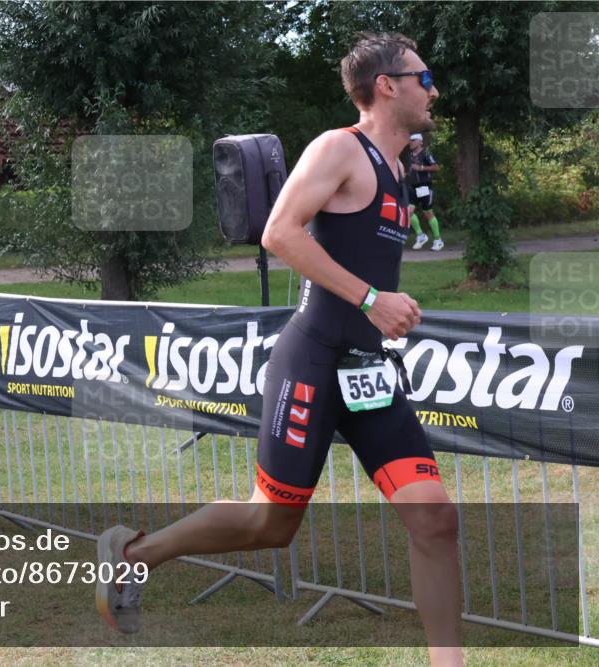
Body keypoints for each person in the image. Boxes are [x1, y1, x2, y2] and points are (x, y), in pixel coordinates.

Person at [96, 32, 463, 667]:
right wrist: (373, 299)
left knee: (435, 519)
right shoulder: (338, 148)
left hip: (369, 373)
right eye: (424, 78)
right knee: (273, 525)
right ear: (387, 85)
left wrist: (376, 313)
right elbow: (278, 233)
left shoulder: (400, 168)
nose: (433, 90)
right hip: (313, 361)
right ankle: (132, 554)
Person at [405, 132, 444, 250]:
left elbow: (436, 167)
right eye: (409, 140)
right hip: (413, 187)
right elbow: (412, 171)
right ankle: (421, 235)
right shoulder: (411, 155)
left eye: (412, 140)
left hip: (425, 187)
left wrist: (421, 168)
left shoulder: (426, 153)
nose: (410, 142)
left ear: (419, 141)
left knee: (428, 213)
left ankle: (438, 240)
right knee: (408, 212)